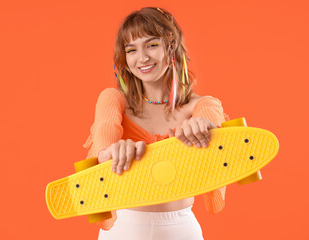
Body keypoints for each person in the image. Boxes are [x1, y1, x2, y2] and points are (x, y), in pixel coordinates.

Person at [83, 7, 230, 240]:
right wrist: (110, 154)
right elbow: (100, 148)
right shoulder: (114, 100)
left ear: (171, 47)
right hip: (125, 228)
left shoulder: (202, 107)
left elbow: (224, 157)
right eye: (131, 50)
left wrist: (208, 135)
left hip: (181, 229)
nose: (142, 58)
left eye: (151, 45)